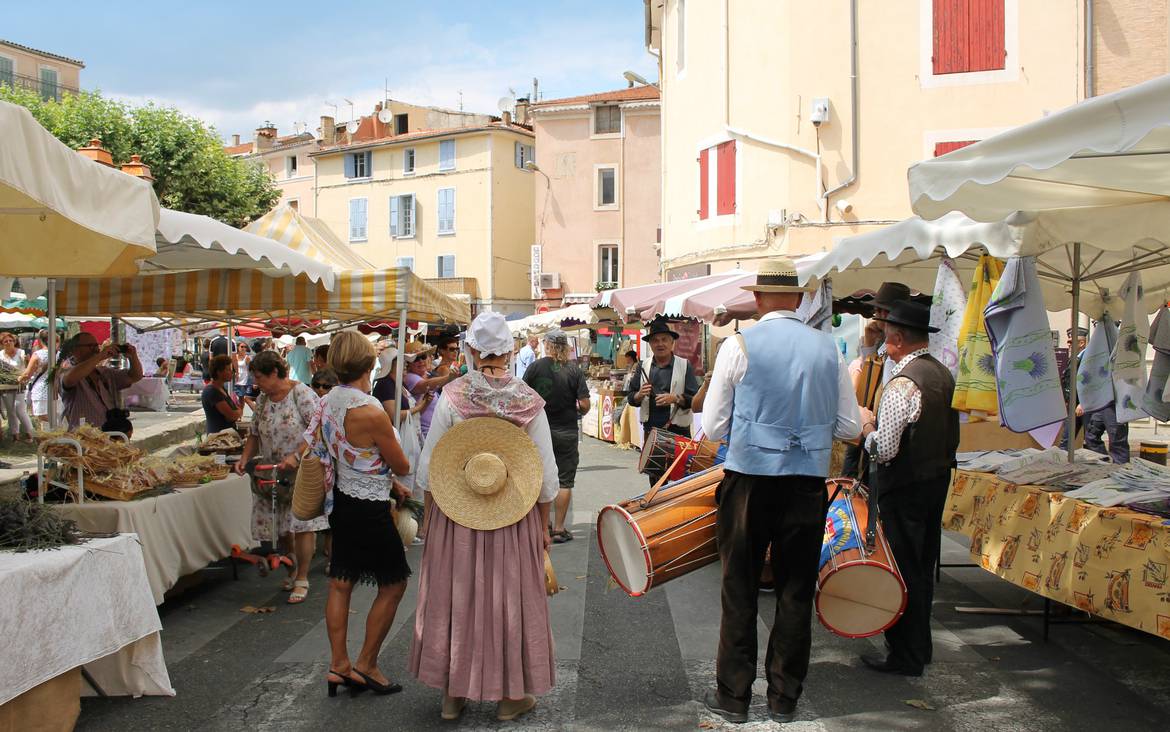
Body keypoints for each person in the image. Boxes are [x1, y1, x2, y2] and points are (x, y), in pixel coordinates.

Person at [699, 258, 861, 724]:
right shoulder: (828, 349)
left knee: (740, 589)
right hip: (806, 484)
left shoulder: (738, 345)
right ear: (797, 299)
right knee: (794, 591)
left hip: (749, 481)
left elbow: (713, 426)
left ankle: (733, 698)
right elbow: (849, 426)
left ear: (757, 299)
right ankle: (783, 699)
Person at [410, 312, 558, 722]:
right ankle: (510, 697)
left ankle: (452, 695)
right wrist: (544, 526)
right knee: (508, 602)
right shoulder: (528, 401)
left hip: (458, 513)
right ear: (510, 351)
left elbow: (430, 465)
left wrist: (429, 517)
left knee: (456, 598)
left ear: (472, 351)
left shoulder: (454, 395)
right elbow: (546, 474)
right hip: (513, 515)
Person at [302, 331, 412, 697]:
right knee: (394, 582)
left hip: (341, 502)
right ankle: (367, 663)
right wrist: (393, 478)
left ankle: (339, 665)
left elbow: (329, 450)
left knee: (340, 582)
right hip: (369, 507)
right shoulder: (370, 410)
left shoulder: (326, 401)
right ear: (369, 364)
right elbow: (400, 462)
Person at [857, 300, 960, 677]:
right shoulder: (940, 372)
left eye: (886, 336)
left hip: (905, 488)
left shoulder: (903, 382)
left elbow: (885, 449)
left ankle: (905, 654)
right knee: (921, 565)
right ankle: (920, 646)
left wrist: (867, 426)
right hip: (934, 481)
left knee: (902, 569)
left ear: (898, 339)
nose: (884, 343)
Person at [234, 350, 329, 604]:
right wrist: (245, 458)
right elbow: (254, 433)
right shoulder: (264, 399)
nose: (256, 383)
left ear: (275, 372)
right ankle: (292, 566)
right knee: (282, 525)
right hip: (272, 470)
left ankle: (303, 577)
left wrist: (296, 456)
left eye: (260, 377)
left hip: (300, 470)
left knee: (302, 524)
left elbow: (317, 430)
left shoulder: (302, 394)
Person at [523, 329, 590, 544]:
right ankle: (559, 528)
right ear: (566, 347)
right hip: (567, 430)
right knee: (564, 480)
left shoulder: (535, 366)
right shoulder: (574, 370)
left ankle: (543, 526)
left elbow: (523, 396)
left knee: (539, 476)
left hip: (538, 430)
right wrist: (578, 411)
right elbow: (585, 404)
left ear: (547, 345)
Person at [625, 318, 700, 485]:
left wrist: (675, 398)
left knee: (683, 479)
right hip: (652, 431)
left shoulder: (684, 365)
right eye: (655, 340)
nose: (660, 344)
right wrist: (639, 395)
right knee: (657, 481)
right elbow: (630, 397)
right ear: (650, 344)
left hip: (678, 430)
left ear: (672, 342)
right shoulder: (642, 366)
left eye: (664, 339)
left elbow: (695, 400)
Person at [58, 333, 143, 431]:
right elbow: (70, 379)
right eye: (91, 346)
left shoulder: (104, 372)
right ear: (75, 350)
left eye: (96, 346)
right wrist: (101, 356)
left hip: (109, 436)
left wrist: (133, 357)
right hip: (83, 438)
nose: (96, 349)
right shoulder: (67, 371)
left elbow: (135, 376)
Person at [404, 341, 458, 442]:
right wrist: (448, 377)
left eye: (423, 357)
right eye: (416, 359)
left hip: (436, 431)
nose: (421, 361)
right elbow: (425, 385)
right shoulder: (409, 377)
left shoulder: (427, 374)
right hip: (426, 434)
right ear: (408, 364)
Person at [0, 332, 35, 443]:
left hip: (20, 385)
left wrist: (27, 360)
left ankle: (31, 434)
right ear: (2, 344)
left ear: (14, 342)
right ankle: (15, 435)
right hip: (6, 386)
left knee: (20, 410)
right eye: (6, 341)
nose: (9, 343)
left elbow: (27, 366)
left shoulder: (21, 352)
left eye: (11, 340)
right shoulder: (0, 355)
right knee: (10, 411)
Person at [201, 354, 249, 434]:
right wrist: (239, 411)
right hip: (218, 436)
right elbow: (231, 415)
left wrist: (237, 411)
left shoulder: (221, 388)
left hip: (227, 433)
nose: (232, 372)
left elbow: (234, 409)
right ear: (219, 372)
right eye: (228, 369)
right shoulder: (212, 391)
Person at [21, 329, 53, 426]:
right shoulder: (59, 354)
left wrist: (19, 378)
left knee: (42, 420)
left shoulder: (37, 354)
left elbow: (27, 374)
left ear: (39, 340)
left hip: (41, 390)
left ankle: (47, 438)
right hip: (56, 390)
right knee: (54, 418)